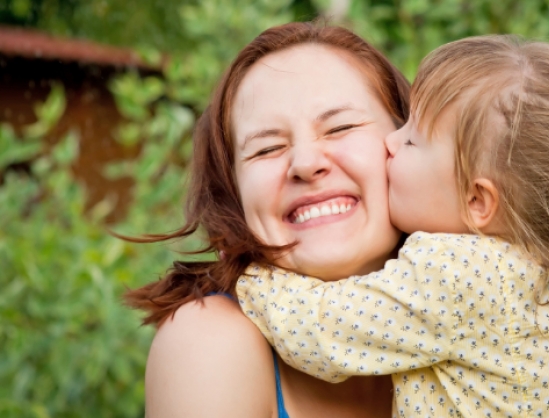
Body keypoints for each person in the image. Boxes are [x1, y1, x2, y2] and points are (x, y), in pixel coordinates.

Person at [237, 35, 549, 417]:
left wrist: (249, 273)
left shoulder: (458, 273)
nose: (390, 143)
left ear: (477, 201)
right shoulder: (545, 267)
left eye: (412, 139)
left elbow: (319, 332)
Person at [123, 22, 411, 418]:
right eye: (267, 149)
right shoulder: (208, 342)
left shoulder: (496, 299)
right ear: (233, 196)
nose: (306, 164)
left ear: (410, 143)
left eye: (340, 127)